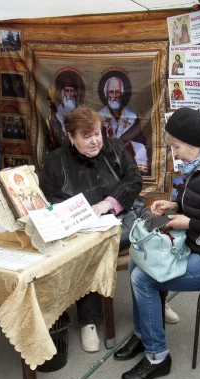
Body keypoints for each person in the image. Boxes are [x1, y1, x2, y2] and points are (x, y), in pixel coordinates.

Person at [114, 107, 200, 379]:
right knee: (137, 264)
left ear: (194, 142)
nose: (174, 154)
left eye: (176, 147)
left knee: (145, 279)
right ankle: (143, 336)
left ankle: (157, 357)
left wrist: (188, 223)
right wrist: (174, 205)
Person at [40, 107, 145, 353]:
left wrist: (108, 203)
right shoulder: (56, 161)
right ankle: (89, 321)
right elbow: (46, 199)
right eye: (86, 136)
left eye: (97, 133)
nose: (95, 140)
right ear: (71, 136)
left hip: (122, 219)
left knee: (150, 240)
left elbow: (134, 180)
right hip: (82, 230)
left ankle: (153, 303)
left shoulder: (115, 148)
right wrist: (75, 213)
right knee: (90, 252)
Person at [98, 75, 149, 174]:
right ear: (106, 94)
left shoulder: (133, 117)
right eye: (110, 92)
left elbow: (141, 143)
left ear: (121, 94)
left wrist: (128, 145)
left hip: (128, 165)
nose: (113, 96)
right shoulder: (98, 117)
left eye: (117, 92)